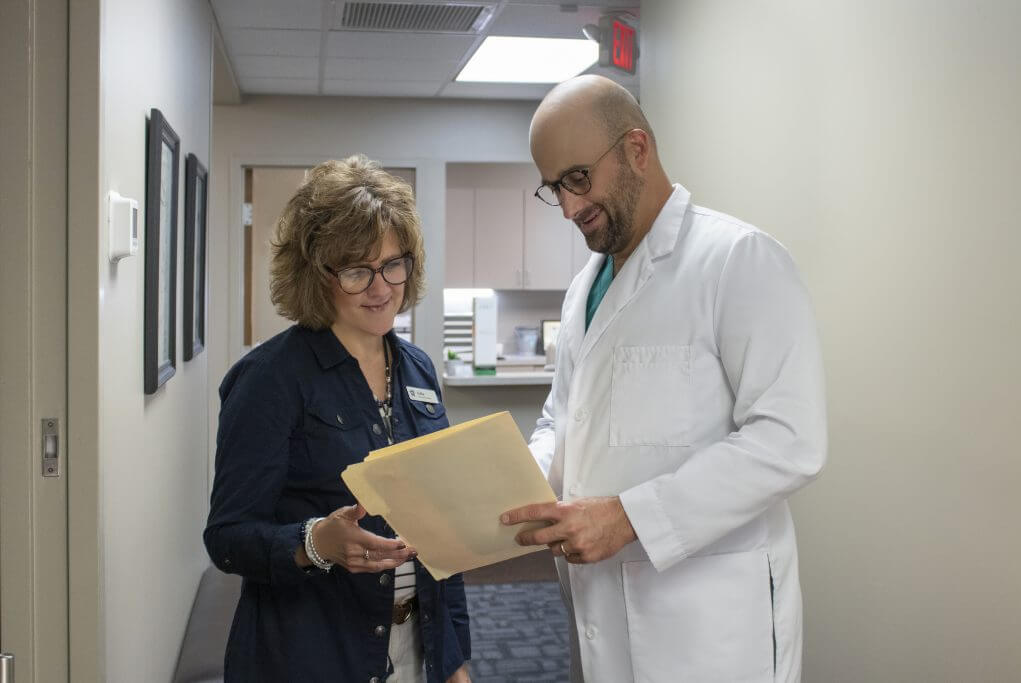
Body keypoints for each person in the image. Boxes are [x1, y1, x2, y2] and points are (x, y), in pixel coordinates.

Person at [500, 75, 827, 682]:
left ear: (637, 149)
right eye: (554, 189)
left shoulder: (739, 261)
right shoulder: (583, 290)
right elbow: (563, 417)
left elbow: (789, 441)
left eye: (578, 178)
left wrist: (628, 518)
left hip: (708, 625)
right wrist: (513, 477)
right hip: (602, 605)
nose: (569, 208)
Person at [204, 156, 471, 683]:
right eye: (356, 270)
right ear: (315, 274)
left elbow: (440, 533)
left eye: (394, 264)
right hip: (310, 653)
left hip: (416, 647)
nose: (381, 288)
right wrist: (313, 543)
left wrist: (455, 659)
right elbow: (228, 538)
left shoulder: (417, 367)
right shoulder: (270, 379)